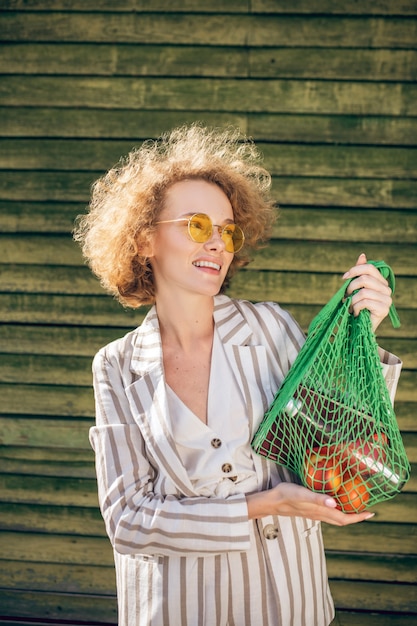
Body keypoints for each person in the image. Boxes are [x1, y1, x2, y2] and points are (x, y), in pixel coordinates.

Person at [73, 124, 401, 626]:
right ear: (143, 240)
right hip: (178, 607)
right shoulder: (116, 366)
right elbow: (128, 523)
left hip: (287, 600)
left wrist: (365, 332)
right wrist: (264, 504)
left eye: (228, 230)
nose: (218, 243)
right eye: (197, 225)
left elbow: (342, 439)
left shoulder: (270, 328)